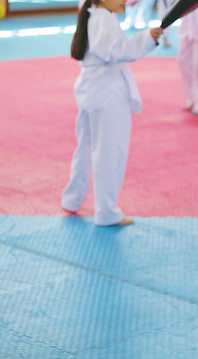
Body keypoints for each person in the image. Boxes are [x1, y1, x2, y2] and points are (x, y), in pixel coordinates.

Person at [62, 0, 163, 226]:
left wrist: (147, 37)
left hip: (94, 90)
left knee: (86, 147)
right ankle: (106, 212)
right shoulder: (101, 18)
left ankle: (72, 199)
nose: (124, 0)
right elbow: (118, 51)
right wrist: (148, 37)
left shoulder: (96, 14)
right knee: (109, 154)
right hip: (106, 94)